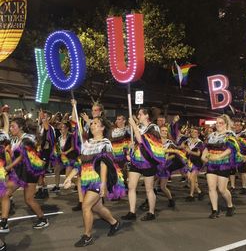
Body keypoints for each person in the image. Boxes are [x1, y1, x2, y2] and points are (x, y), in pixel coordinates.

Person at [63, 100, 125, 247]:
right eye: (91, 124)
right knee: (97, 208)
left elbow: (104, 164)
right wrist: (69, 178)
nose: (92, 125)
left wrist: (103, 184)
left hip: (98, 180)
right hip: (87, 180)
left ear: (102, 127)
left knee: (85, 206)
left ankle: (87, 236)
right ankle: (114, 222)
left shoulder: (105, 143)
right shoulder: (87, 144)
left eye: (96, 123)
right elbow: (80, 164)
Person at [0, 117, 49, 233]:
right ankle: (4, 223)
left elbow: (22, 156)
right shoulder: (15, 139)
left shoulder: (28, 139)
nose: (11, 129)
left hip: (29, 173)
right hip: (18, 172)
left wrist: (8, 167)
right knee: (5, 194)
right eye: (10, 126)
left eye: (13, 126)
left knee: (29, 199)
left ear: (20, 127)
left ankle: (43, 219)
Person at [121, 109, 165, 221]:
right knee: (131, 186)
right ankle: (132, 212)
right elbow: (137, 142)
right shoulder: (139, 128)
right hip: (136, 161)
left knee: (149, 189)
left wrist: (134, 127)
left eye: (140, 114)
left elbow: (143, 141)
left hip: (148, 162)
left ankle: (151, 212)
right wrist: (131, 147)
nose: (138, 116)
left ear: (146, 115)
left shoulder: (153, 127)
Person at [201, 114, 236, 219]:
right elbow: (207, 147)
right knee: (211, 188)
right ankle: (214, 210)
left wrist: (219, 156)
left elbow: (231, 149)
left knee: (222, 189)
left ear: (225, 124)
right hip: (211, 164)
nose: (218, 125)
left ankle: (230, 206)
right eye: (217, 123)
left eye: (221, 123)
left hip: (223, 164)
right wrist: (203, 155)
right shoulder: (212, 135)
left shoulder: (230, 134)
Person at [182, 128, 205, 201]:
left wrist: (189, 151)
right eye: (192, 132)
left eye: (195, 132)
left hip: (196, 162)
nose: (193, 133)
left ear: (198, 134)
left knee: (192, 179)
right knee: (189, 179)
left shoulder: (200, 142)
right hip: (188, 162)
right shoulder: (187, 141)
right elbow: (181, 145)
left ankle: (191, 195)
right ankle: (199, 191)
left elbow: (198, 154)